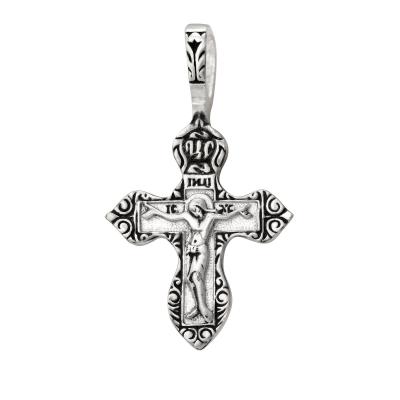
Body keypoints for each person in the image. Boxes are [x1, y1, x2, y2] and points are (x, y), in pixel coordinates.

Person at [142, 195, 251, 323]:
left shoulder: (210, 217)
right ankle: (198, 307)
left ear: (202, 208)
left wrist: (239, 211)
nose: (195, 213)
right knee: (189, 279)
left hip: (201, 250)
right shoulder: (188, 217)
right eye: (192, 211)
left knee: (197, 276)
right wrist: (155, 212)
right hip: (190, 250)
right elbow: (171, 217)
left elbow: (225, 216)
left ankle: (204, 309)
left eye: (197, 210)